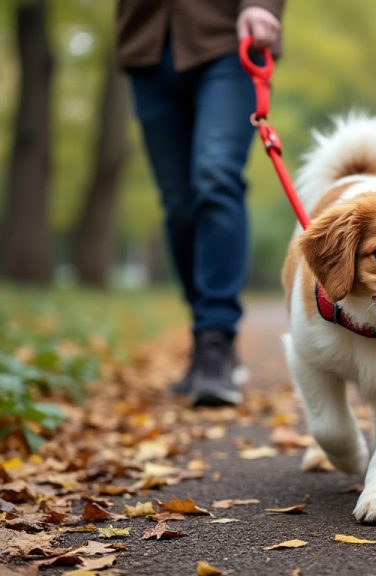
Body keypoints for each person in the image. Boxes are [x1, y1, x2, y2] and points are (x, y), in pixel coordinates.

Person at [116, 1, 286, 407]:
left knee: (215, 177)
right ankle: (205, 333)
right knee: (178, 203)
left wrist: (261, 5)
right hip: (146, 44)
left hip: (227, 38)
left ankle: (215, 340)